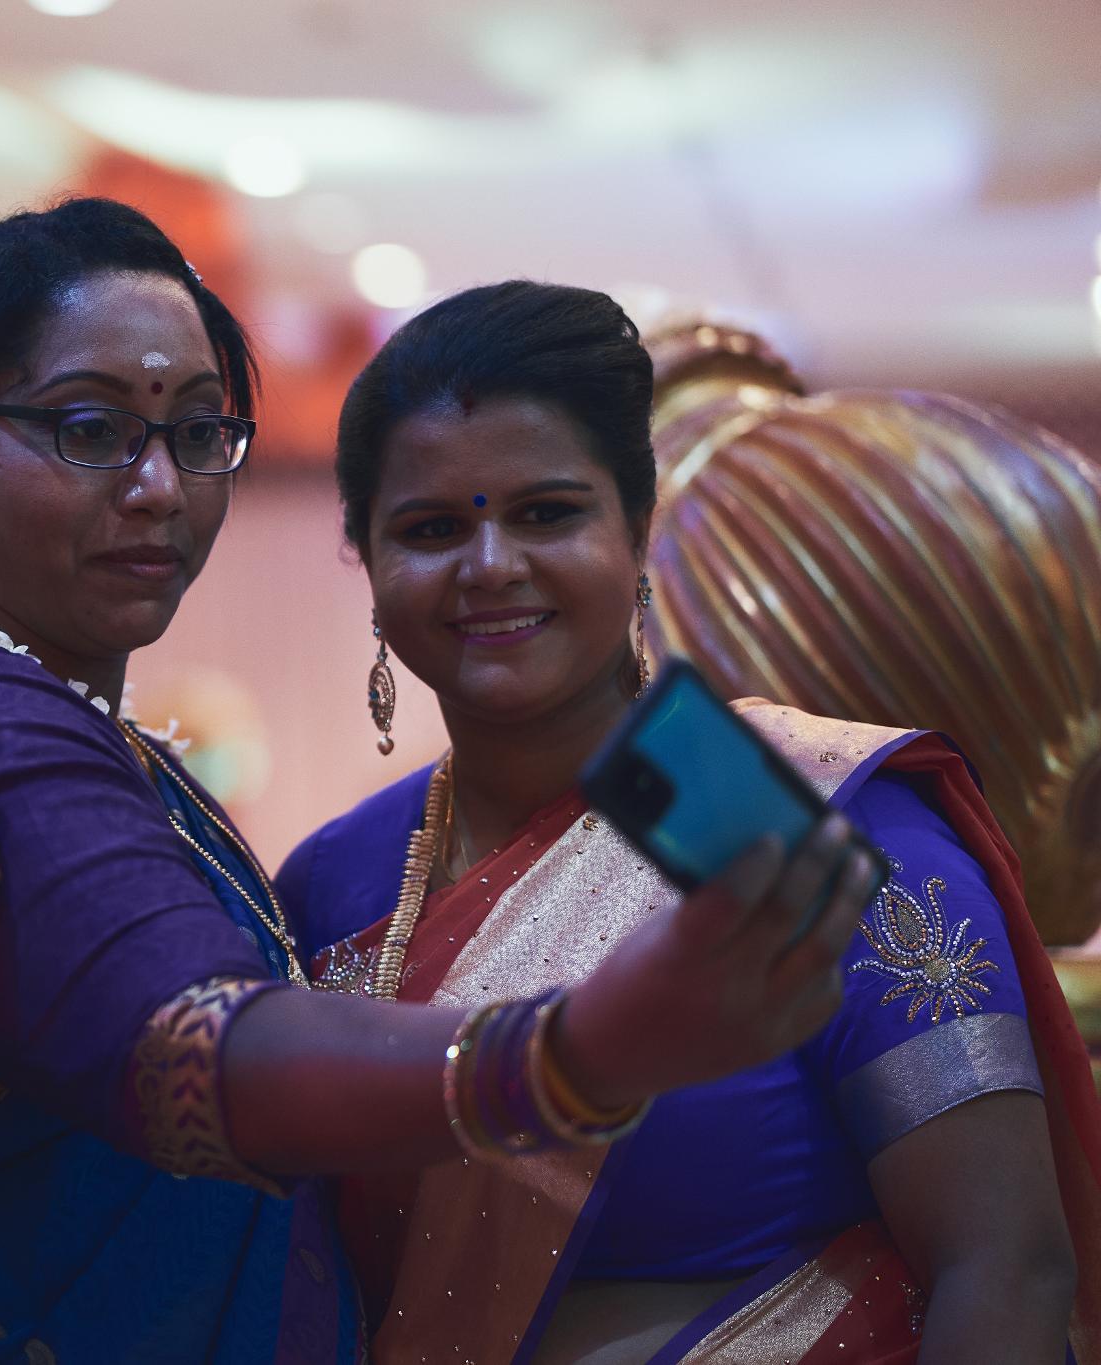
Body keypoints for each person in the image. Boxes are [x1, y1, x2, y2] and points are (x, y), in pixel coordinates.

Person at [0, 199, 880, 1363]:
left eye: (197, 431)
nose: (158, 487)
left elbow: (983, 1243)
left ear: (637, 531)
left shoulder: (811, 796)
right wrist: (573, 1055)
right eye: (89, 430)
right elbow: (197, 1056)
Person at [278, 280, 1101, 1362]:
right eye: (430, 529)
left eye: (547, 513)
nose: (490, 566)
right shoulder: (330, 883)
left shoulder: (804, 818)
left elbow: (1004, 1265)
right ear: (370, 565)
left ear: (637, 531)